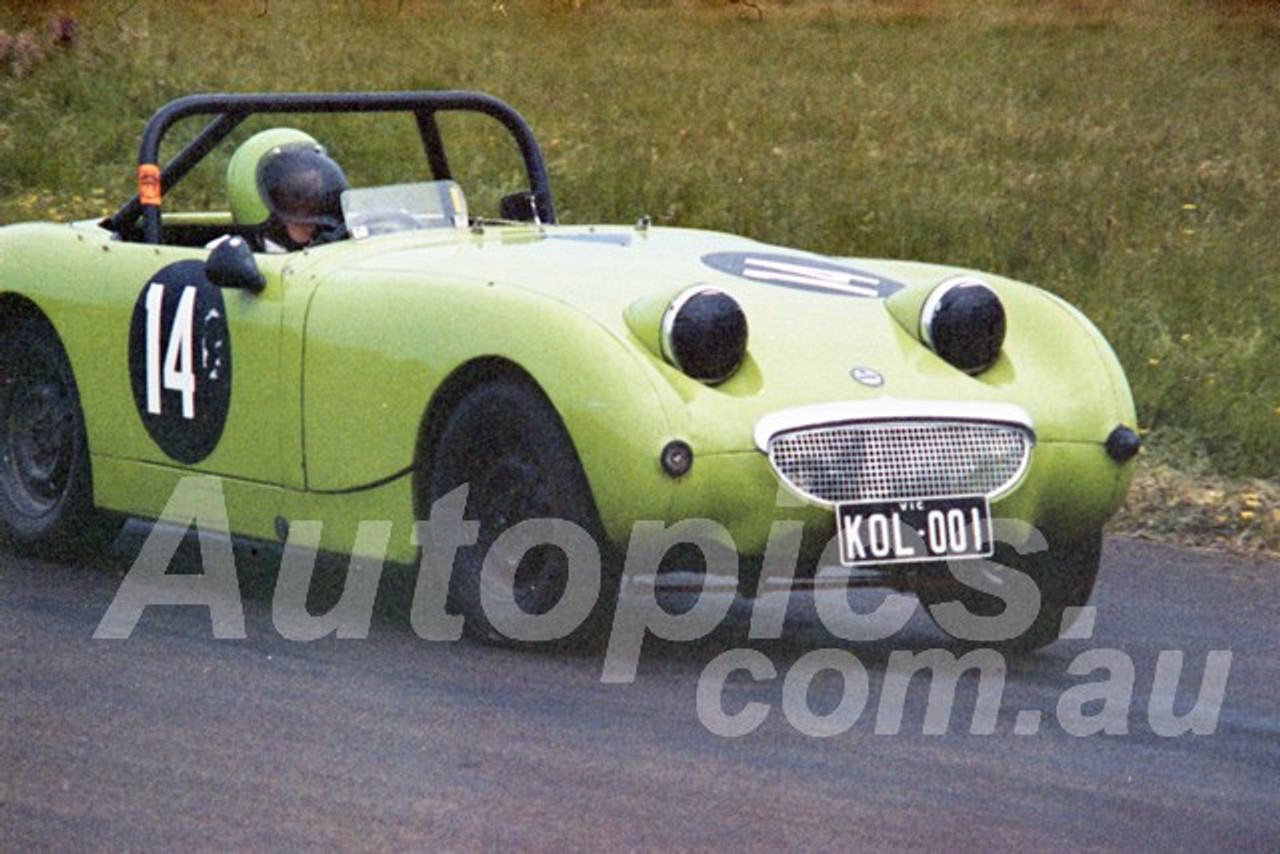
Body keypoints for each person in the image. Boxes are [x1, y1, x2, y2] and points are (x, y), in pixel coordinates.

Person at [225, 128, 349, 253]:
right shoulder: (229, 260)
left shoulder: (336, 245)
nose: (311, 203)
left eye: (318, 192)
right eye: (297, 193)